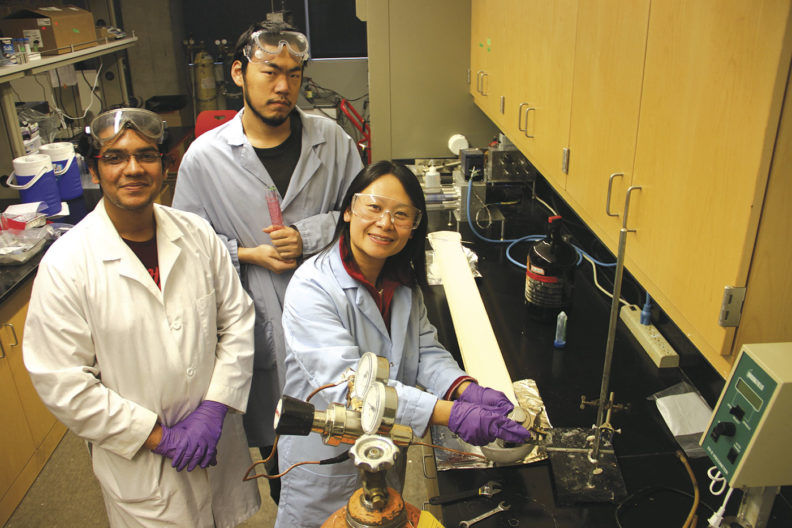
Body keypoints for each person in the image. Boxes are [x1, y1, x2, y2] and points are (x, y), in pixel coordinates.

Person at [23, 108, 260, 527]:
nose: (133, 168)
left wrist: (214, 407)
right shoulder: (66, 263)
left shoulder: (197, 234)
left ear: (165, 167)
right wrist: (157, 436)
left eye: (146, 155)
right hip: (146, 471)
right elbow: (62, 381)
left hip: (214, 445)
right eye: (115, 157)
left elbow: (237, 320)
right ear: (95, 170)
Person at [275, 161, 532, 527]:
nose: (385, 223)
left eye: (401, 214)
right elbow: (354, 388)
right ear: (348, 210)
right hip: (328, 461)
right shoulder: (312, 288)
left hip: (384, 451)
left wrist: (463, 388)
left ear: (414, 227)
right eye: (374, 207)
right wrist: (451, 414)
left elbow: (423, 350)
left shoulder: (400, 280)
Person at [172, 20, 363, 499]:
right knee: (287, 468)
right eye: (270, 72)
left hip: (334, 320)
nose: (283, 87)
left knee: (353, 456)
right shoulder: (204, 158)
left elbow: (362, 216)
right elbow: (185, 249)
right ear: (239, 73)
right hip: (261, 329)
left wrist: (307, 234)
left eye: (294, 75)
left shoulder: (332, 141)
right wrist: (246, 253)